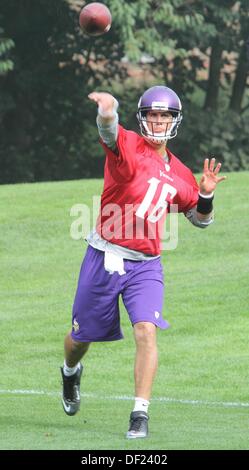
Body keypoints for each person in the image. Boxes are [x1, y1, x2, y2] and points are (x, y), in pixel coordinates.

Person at [60, 85, 226, 439]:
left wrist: (207, 194)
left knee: (146, 331)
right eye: (152, 114)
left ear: (175, 121)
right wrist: (108, 108)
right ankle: (70, 372)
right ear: (143, 118)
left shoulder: (180, 172)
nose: (158, 120)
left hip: (146, 264)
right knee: (79, 340)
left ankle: (140, 414)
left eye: (165, 115)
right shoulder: (130, 146)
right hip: (105, 253)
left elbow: (199, 220)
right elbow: (108, 128)